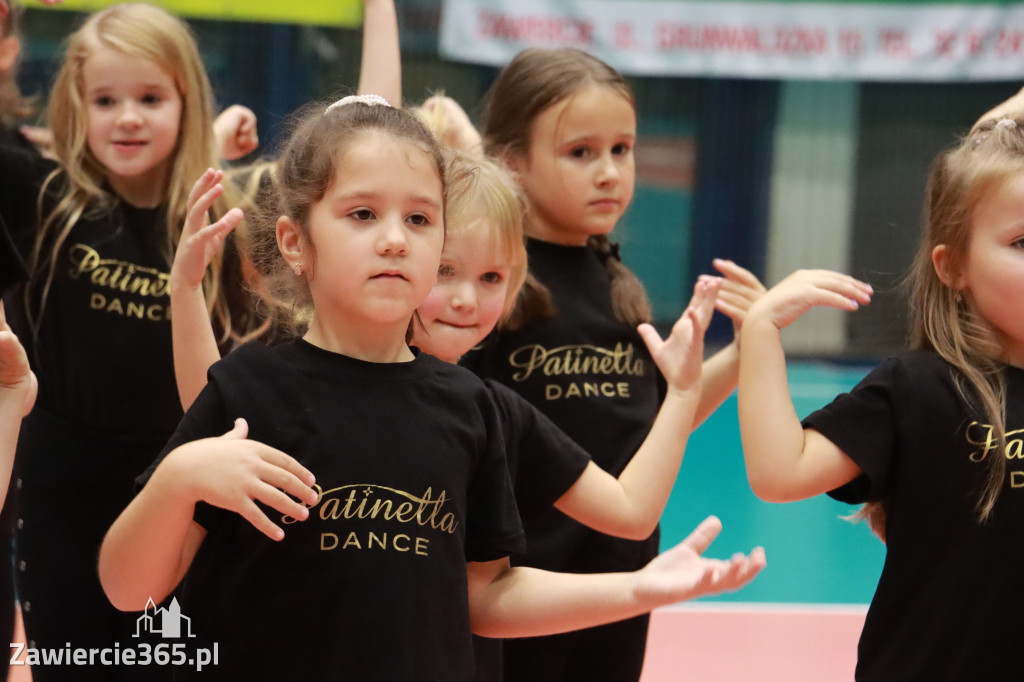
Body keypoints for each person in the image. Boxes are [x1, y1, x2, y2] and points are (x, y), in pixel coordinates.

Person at [96, 95, 765, 681]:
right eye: (362, 215)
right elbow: (131, 591)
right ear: (296, 244)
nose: (394, 240)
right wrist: (178, 477)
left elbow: (484, 598)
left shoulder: (470, 409)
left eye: (419, 220)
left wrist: (636, 588)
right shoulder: (249, 389)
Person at [456, 47, 765, 682]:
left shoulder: (616, 283)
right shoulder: (491, 283)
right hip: (522, 590)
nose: (609, 172)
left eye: (621, 149)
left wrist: (748, 345)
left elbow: (659, 421)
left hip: (623, 581)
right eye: (581, 152)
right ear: (513, 161)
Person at [0, 4, 251, 678]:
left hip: (179, 499)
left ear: (187, 101)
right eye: (105, 99)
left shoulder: (220, 222)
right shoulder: (44, 199)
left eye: (149, 97)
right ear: (75, 105)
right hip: (58, 501)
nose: (128, 117)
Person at [736, 112, 1024, 680]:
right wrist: (760, 332)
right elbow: (779, 472)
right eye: (1023, 241)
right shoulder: (918, 387)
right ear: (954, 266)